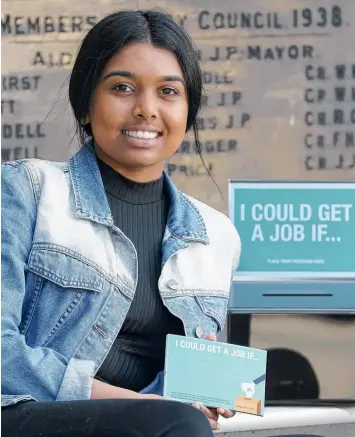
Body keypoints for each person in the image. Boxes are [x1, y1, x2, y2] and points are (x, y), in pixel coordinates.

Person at [1, 9, 241, 437]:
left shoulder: (215, 235)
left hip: (161, 425)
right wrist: (144, 406)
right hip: (27, 415)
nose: (146, 110)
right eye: (122, 88)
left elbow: (197, 387)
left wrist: (219, 394)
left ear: (188, 111)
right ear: (86, 105)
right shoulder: (27, 190)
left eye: (168, 91)